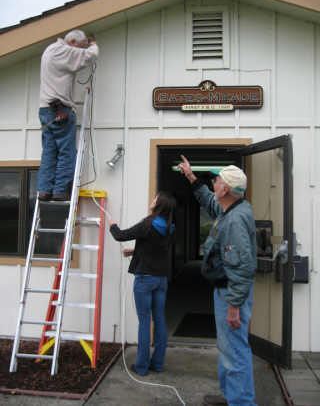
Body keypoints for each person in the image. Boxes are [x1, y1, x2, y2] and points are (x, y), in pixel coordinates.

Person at [178, 156, 257, 406]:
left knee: (234, 350)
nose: (214, 181)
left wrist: (233, 306)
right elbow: (209, 202)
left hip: (230, 293)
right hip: (225, 291)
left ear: (225, 189)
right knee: (228, 348)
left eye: (217, 179)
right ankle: (231, 396)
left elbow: (242, 268)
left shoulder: (234, 220)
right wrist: (191, 177)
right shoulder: (231, 208)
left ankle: (241, 403)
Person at [108, 191, 176, 376]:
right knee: (159, 320)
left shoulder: (148, 224)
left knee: (145, 321)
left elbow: (120, 235)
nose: (152, 201)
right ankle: (158, 365)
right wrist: (133, 252)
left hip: (145, 280)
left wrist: (112, 226)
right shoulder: (170, 227)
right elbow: (155, 249)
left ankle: (142, 367)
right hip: (161, 280)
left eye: (155, 198)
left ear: (159, 204)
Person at [38, 29, 99, 201]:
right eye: (79, 47)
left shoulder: (50, 49)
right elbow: (90, 56)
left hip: (45, 110)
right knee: (66, 152)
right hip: (59, 109)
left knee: (49, 152)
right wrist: (92, 44)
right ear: (72, 42)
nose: (79, 51)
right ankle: (60, 191)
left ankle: (44, 190)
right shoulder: (63, 50)